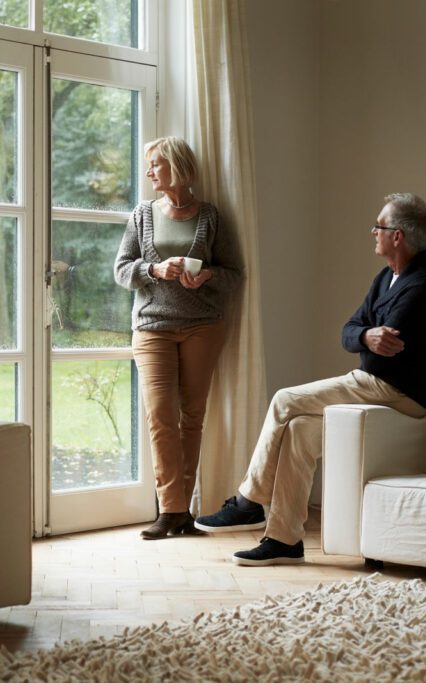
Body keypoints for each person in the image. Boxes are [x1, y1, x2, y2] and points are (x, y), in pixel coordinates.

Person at [195, 192, 426, 565]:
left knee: (285, 399)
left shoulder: (424, 286)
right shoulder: (387, 278)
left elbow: (384, 354)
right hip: (377, 382)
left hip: (396, 391)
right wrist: (365, 336)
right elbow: (350, 331)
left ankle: (248, 501)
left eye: (378, 226)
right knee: (298, 431)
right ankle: (284, 538)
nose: (372, 232)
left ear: (398, 236)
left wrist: (366, 339)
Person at [114, 136, 244, 540]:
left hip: (203, 326)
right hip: (153, 326)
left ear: (177, 167)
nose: (150, 171)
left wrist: (207, 275)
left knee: (193, 417)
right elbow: (121, 270)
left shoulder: (210, 216)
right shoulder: (142, 215)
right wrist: (154, 270)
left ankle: (181, 512)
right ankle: (170, 509)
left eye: (156, 164)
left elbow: (234, 274)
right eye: (149, 165)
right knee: (160, 417)